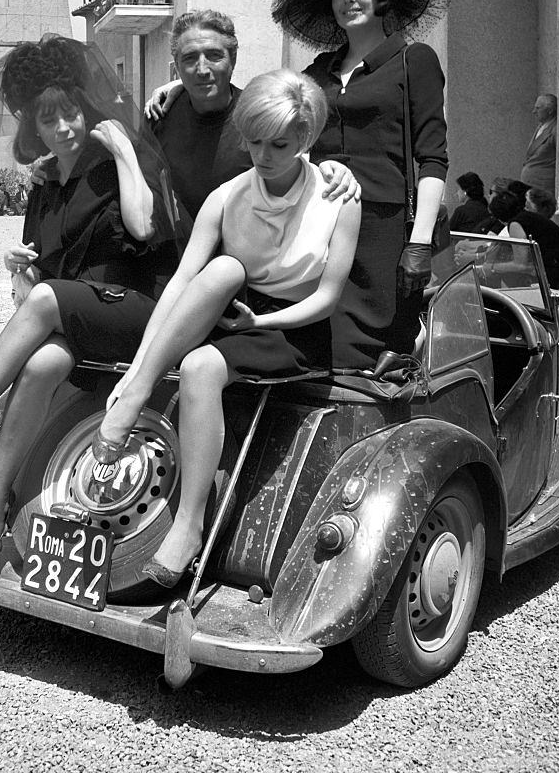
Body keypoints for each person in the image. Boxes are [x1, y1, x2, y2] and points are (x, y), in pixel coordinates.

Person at [0, 35, 178, 562]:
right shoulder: (46, 186)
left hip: (135, 310)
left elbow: (144, 229)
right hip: (74, 320)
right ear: (36, 127)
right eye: (49, 121)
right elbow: (30, 299)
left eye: (71, 115)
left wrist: (123, 149)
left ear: (86, 110)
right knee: (40, 365)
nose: (64, 129)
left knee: (52, 298)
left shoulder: (115, 162)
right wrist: (19, 271)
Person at [96, 70, 361, 586]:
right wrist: (136, 371)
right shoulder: (227, 195)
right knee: (222, 269)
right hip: (237, 311)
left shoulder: (337, 196)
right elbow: (180, 283)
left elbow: (327, 298)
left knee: (199, 364)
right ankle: (139, 393)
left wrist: (260, 320)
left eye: (279, 144)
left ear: (305, 139)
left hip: (294, 325)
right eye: (255, 142)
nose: (263, 156)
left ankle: (190, 525)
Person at [271, 0, 457, 370]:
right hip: (323, 223)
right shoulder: (318, 70)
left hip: (384, 232)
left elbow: (433, 157)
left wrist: (418, 243)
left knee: (373, 357)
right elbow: (270, 108)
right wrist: (177, 87)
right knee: (316, 349)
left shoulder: (415, 61)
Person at [142, 9, 359, 237]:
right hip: (178, 256)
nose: (202, 69)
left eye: (214, 55)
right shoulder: (159, 117)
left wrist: (331, 168)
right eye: (189, 58)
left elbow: (301, 166)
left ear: (233, 59)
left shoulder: (261, 118)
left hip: (249, 259)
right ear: (176, 65)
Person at [484, 189, 559, 292]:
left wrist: (492, 268)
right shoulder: (529, 217)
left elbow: (521, 265)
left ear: (499, 218)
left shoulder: (516, 224)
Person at [520, 94, 557, 193]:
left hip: (543, 188)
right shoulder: (541, 126)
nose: (534, 112)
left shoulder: (555, 129)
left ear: (550, 110)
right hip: (531, 186)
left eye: (538, 108)